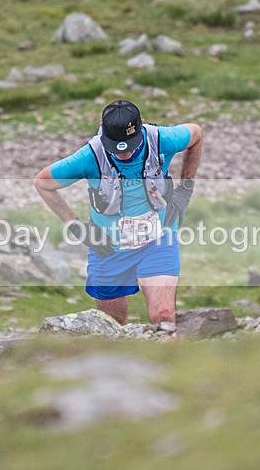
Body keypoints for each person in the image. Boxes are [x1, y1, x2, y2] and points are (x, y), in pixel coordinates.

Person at [33, 99, 203, 326]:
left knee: (163, 316)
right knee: (112, 325)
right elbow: (43, 183)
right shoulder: (89, 156)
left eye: (130, 145)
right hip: (108, 247)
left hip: (158, 239)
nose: (124, 154)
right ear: (102, 130)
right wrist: (77, 226)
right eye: (115, 147)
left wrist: (185, 190)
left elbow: (196, 133)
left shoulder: (162, 139)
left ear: (141, 126)